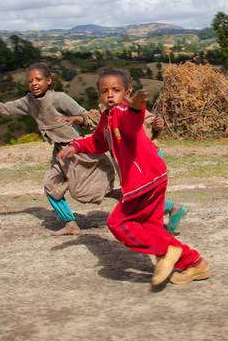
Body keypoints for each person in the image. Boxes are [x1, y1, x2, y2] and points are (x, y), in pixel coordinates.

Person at [57, 69, 210, 286]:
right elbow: (99, 141)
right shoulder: (107, 117)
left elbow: (132, 120)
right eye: (105, 91)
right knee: (151, 227)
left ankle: (167, 251)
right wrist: (76, 146)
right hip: (153, 176)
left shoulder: (122, 111)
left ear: (127, 91)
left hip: (144, 181)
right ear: (99, 95)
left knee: (118, 222)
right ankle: (195, 264)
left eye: (116, 90)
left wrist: (137, 105)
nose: (110, 95)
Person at [0, 62, 117, 236]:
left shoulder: (59, 98)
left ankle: (127, 198)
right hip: (59, 152)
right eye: (30, 81)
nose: (34, 83)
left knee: (88, 189)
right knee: (51, 185)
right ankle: (71, 224)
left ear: (48, 81)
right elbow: (5, 107)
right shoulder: (28, 101)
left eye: (38, 79)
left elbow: (87, 116)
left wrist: (73, 119)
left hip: (76, 149)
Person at [87, 101, 188, 233]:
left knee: (140, 198)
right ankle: (167, 215)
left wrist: (158, 126)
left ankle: (173, 209)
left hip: (145, 158)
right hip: (129, 162)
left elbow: (153, 124)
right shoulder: (107, 113)